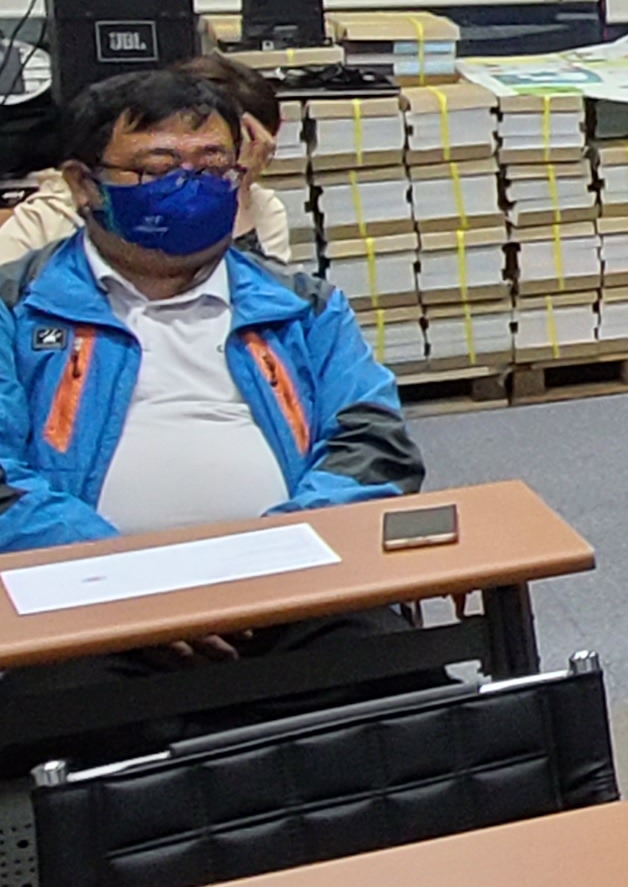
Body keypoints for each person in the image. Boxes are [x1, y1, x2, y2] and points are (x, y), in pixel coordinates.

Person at [0, 65, 422, 559]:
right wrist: (119, 569)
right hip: (82, 583)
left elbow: (373, 445)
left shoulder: (303, 307)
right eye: (159, 170)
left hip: (292, 576)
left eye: (213, 167)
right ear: (83, 184)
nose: (190, 187)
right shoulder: (16, 307)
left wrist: (284, 551)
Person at [0, 53, 295, 268]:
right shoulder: (60, 210)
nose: (189, 178)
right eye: (161, 165)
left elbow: (265, 310)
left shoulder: (260, 209)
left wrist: (238, 198)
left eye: (214, 161)